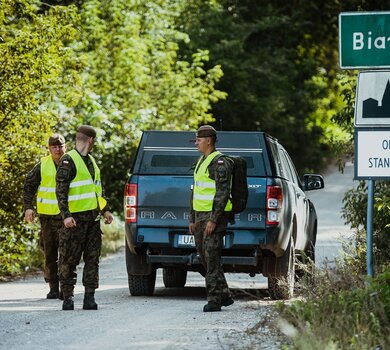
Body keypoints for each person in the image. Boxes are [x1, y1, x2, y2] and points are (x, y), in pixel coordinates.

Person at [56, 125, 113, 311]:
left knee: (92, 259)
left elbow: (98, 190)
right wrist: (66, 216)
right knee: (68, 259)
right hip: (74, 221)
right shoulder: (68, 160)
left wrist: (105, 210)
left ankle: (89, 297)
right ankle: (68, 297)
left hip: (93, 220)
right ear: (91, 140)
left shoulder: (92, 162)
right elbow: (61, 191)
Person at [189, 125, 234, 312]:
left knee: (212, 257)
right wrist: (192, 218)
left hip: (213, 217)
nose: (196, 144)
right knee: (206, 259)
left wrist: (213, 219)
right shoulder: (202, 161)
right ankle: (224, 295)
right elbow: (195, 191)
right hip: (200, 216)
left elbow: (222, 193)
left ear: (209, 140)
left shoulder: (220, 162)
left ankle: (214, 300)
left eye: (198, 140)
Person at [23, 133, 67, 299]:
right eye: (54, 146)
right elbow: (29, 186)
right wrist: (28, 208)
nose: (57, 149)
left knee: (66, 253)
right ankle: (53, 287)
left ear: (65, 146)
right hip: (47, 218)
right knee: (50, 254)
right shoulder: (43, 165)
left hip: (66, 217)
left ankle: (66, 287)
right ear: (49, 148)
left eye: (60, 146)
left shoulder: (72, 163)